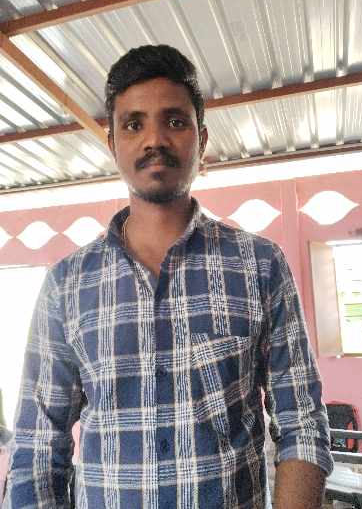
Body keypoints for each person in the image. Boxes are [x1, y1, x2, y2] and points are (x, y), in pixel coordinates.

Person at [4, 44, 332, 508]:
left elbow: (302, 423)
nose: (154, 140)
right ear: (112, 144)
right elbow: (39, 447)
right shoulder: (66, 285)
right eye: (133, 124)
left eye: (174, 121)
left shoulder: (260, 265)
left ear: (202, 138)